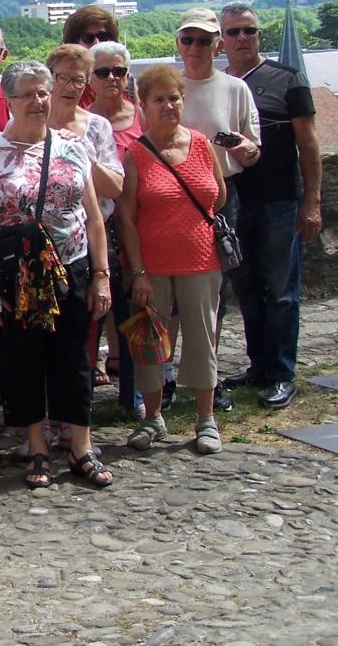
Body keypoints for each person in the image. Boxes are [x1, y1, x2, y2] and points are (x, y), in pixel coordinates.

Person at [0, 61, 113, 489]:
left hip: (69, 268)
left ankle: (80, 446)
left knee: (74, 359)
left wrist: (101, 275)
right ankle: (37, 446)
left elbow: (93, 218)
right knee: (23, 361)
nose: (38, 101)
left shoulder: (74, 146)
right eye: (28, 94)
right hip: (16, 276)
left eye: (43, 93)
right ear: (10, 100)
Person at [117, 65, 227, 454]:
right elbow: (126, 217)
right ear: (144, 105)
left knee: (202, 340)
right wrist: (139, 271)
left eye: (174, 98)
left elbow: (219, 197)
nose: (168, 105)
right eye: (159, 99)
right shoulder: (136, 154)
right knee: (150, 344)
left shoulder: (200, 144)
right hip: (153, 266)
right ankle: (152, 417)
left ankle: (205, 419)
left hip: (202, 260)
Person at [219, 4, 322, 409]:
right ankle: (258, 365)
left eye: (249, 30)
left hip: (280, 199)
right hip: (234, 203)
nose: (242, 38)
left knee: (281, 291)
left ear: (259, 34)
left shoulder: (288, 79)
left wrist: (311, 201)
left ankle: (281, 373)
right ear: (221, 41)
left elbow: (309, 145)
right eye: (233, 32)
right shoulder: (219, 84)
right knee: (246, 290)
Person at [175, 7, 261, 413]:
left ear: (217, 44)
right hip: (169, 201)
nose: (195, 47)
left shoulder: (234, 89)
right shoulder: (166, 86)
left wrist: (244, 148)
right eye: (188, 39)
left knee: (214, 294)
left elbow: (253, 149)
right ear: (178, 43)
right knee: (168, 294)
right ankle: (171, 378)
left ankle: (207, 380)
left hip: (221, 197)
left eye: (204, 40)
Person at [45, 45, 124, 392]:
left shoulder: (97, 127)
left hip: (90, 234)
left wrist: (83, 156)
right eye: (62, 77)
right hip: (44, 240)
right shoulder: (32, 119)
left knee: (87, 319)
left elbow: (117, 187)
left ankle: (81, 393)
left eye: (78, 80)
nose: (70, 86)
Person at [87, 40, 144, 413]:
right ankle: (83, 396)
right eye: (103, 71)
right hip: (100, 225)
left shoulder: (144, 115)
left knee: (134, 310)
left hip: (140, 225)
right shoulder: (84, 121)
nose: (112, 78)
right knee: (93, 314)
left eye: (119, 71)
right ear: (89, 79)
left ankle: (135, 391)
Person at [62, 5, 120, 108]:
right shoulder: (65, 87)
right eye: (88, 38)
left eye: (103, 37)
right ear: (74, 43)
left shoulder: (124, 82)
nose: (97, 42)